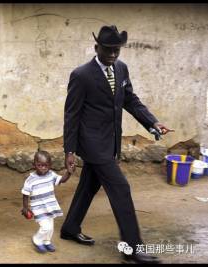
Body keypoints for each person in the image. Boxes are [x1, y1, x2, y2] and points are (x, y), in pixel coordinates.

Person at [61, 25, 174, 264]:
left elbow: (130, 100)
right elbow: (71, 115)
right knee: (121, 188)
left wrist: (153, 122)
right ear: (96, 48)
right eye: (108, 49)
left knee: (89, 186)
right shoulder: (81, 75)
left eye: (117, 50)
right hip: (92, 143)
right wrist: (69, 150)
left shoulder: (121, 69)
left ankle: (70, 228)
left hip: (110, 141)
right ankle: (132, 248)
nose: (113, 54)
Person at [21, 151, 71, 253]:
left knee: (51, 227)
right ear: (33, 164)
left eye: (45, 165)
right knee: (46, 227)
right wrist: (25, 208)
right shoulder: (30, 180)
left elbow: (62, 180)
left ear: (50, 165)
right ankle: (37, 240)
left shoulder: (51, 175)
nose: (42, 168)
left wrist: (69, 172)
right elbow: (25, 194)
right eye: (39, 165)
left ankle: (46, 241)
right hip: (38, 208)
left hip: (50, 206)